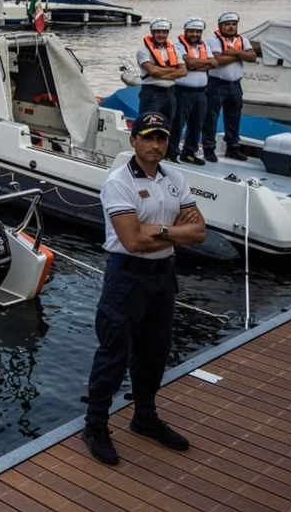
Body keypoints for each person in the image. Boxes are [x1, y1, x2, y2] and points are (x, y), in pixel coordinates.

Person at [82, 111, 206, 466]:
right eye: (148, 137)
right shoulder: (118, 183)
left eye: (162, 138)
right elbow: (132, 241)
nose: (155, 145)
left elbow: (199, 233)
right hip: (127, 275)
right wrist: (167, 234)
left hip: (163, 276)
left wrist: (161, 231)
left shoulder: (175, 177)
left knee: (155, 350)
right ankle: (95, 425)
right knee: (114, 352)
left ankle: (144, 416)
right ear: (133, 140)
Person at [203, 11, 256, 162]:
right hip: (216, 84)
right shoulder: (213, 41)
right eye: (227, 25)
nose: (231, 27)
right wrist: (240, 55)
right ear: (220, 26)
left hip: (235, 85)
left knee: (234, 116)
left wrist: (233, 52)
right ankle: (208, 148)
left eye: (234, 24)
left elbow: (252, 57)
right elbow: (217, 60)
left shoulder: (243, 40)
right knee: (211, 116)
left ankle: (232, 147)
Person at [169, 17, 217, 165]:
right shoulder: (177, 46)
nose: (194, 34)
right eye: (191, 31)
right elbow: (188, 63)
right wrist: (199, 64)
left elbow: (214, 63)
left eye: (197, 31)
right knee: (177, 123)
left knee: (197, 124)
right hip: (182, 92)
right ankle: (171, 152)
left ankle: (189, 153)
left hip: (201, 93)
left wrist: (195, 65)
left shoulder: (204, 46)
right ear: (185, 31)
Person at [136, 18, 187, 142]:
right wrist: (172, 69)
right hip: (152, 93)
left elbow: (183, 71)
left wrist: (161, 72)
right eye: (158, 32)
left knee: (167, 125)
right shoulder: (143, 51)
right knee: (148, 124)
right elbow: (153, 71)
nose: (161, 35)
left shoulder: (173, 50)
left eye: (164, 32)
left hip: (170, 93)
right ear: (152, 32)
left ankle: (165, 152)